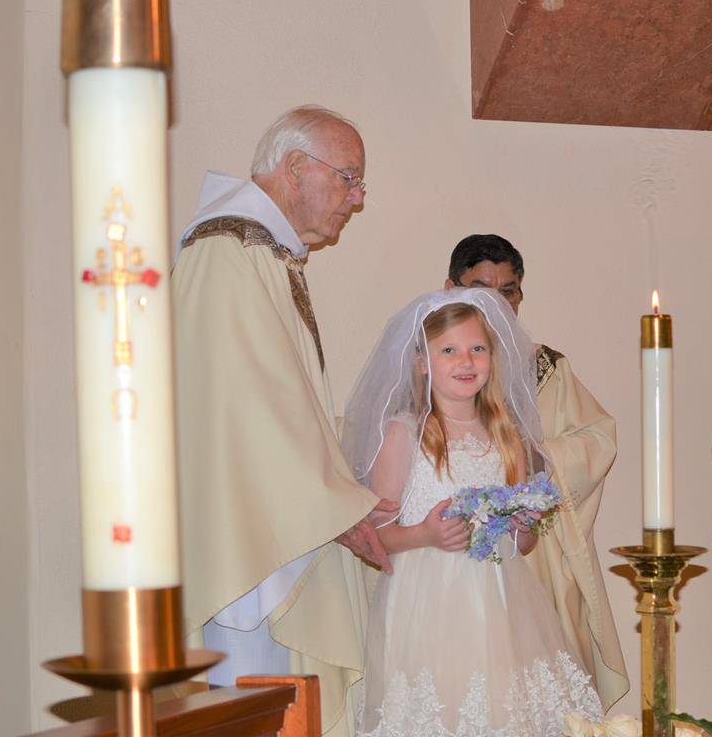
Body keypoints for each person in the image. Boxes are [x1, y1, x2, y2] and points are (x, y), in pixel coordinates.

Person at [173, 105, 395, 736]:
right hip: (249, 548)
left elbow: (280, 401)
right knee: (256, 710)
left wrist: (341, 491)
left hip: (275, 532)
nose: (355, 199)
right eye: (348, 178)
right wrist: (337, 504)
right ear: (296, 167)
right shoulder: (226, 251)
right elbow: (244, 408)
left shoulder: (263, 253)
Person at [342, 288, 604, 736]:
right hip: (425, 603)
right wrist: (424, 534)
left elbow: (523, 544)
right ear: (423, 361)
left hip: (500, 600)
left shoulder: (507, 436)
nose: (466, 362)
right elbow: (376, 535)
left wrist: (524, 526)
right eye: (449, 350)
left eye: (477, 349)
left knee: (501, 711)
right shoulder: (404, 434)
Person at [443, 234, 628, 708]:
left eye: (509, 290)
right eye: (482, 288)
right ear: (451, 289)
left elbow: (598, 438)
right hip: (453, 557)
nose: (499, 303)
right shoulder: (431, 364)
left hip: (535, 558)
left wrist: (535, 455)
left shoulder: (544, 366)